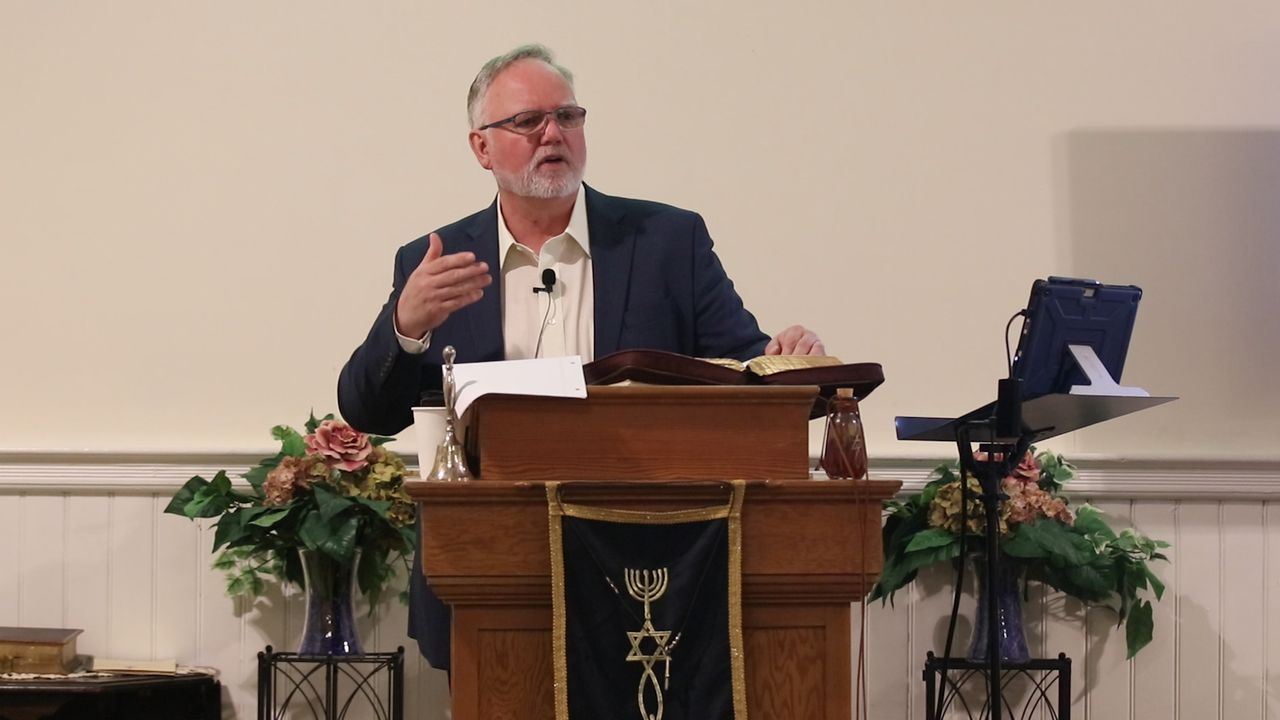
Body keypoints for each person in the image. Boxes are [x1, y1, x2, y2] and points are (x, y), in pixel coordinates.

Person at [337, 43, 824, 671]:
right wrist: (406, 326)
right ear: (481, 147)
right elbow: (367, 411)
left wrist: (786, 361)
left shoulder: (667, 241)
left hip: (649, 566)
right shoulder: (437, 259)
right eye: (527, 121)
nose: (553, 133)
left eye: (567, 116)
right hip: (488, 563)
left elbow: (740, 367)